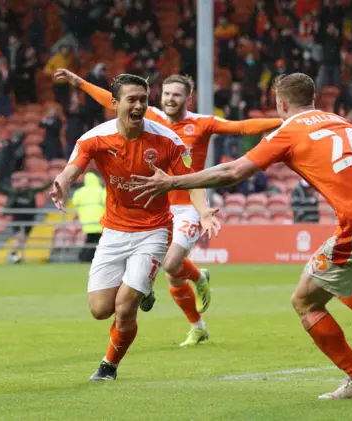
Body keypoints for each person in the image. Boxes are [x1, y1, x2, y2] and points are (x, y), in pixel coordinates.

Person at [130, 73, 352, 400]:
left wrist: (172, 182)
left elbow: (233, 172)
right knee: (333, 279)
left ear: (281, 103)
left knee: (304, 301)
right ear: (312, 97)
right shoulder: (338, 120)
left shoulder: (289, 131)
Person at [54, 68, 282, 347]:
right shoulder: (148, 117)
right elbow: (110, 99)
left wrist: (285, 120)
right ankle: (196, 324)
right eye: (167, 94)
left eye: (177, 95)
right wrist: (79, 82)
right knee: (164, 273)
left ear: (188, 99)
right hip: (157, 202)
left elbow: (244, 127)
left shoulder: (202, 123)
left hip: (187, 204)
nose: (171, 99)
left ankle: (189, 280)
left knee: (171, 264)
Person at [48, 74, 220, 381]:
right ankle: (141, 289)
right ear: (115, 104)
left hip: (154, 230)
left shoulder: (168, 140)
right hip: (114, 231)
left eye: (144, 99)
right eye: (132, 99)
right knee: (101, 309)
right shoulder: (95, 138)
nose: (139, 105)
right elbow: (74, 166)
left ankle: (108, 366)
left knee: (125, 308)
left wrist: (204, 212)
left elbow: (192, 180)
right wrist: (62, 182)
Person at [0, 176, 52, 264]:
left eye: (26, 182)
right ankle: (11, 255)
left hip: (29, 219)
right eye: (23, 182)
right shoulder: (14, 192)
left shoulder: (31, 192)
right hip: (17, 219)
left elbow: (42, 188)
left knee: (22, 239)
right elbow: (2, 189)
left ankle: (16, 256)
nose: (24, 184)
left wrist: (51, 181)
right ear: (19, 183)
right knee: (20, 238)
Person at [72, 171, 106, 262]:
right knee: (95, 242)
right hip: (99, 222)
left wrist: (81, 213)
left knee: (91, 241)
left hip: (86, 222)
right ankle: (84, 258)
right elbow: (107, 202)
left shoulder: (79, 192)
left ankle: (84, 258)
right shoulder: (100, 191)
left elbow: (75, 203)